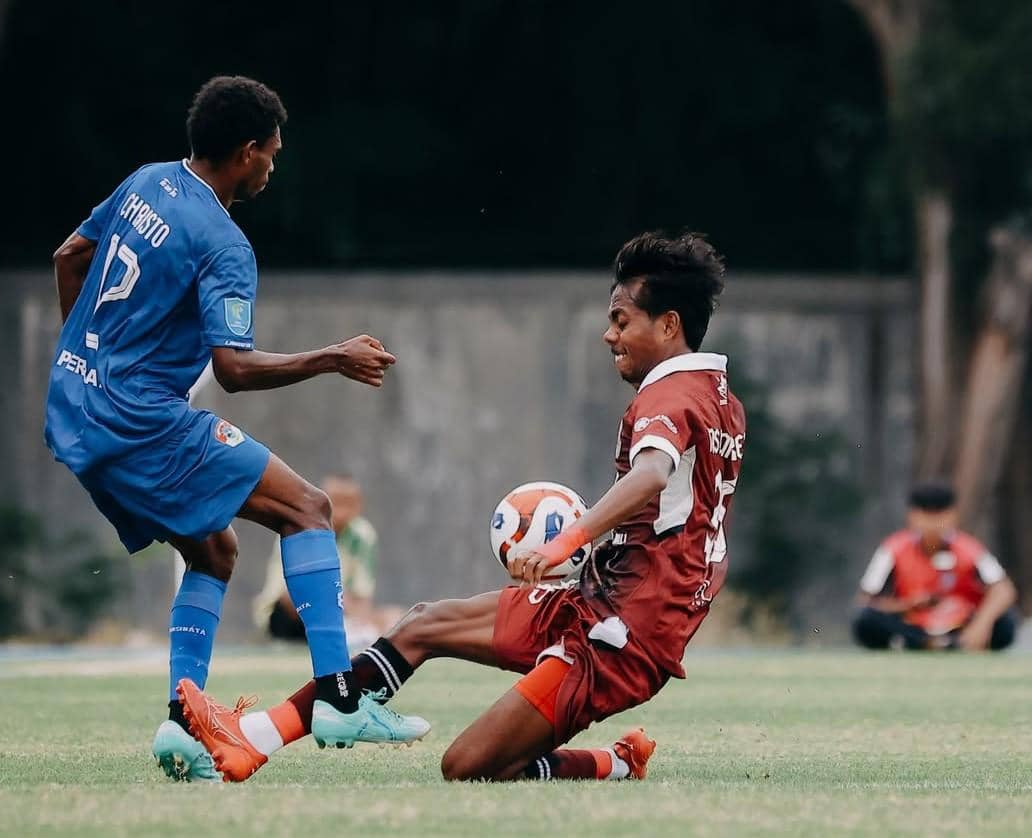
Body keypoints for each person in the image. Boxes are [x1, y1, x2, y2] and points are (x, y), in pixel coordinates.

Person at [177, 230, 746, 783]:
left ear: (669, 324)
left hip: (622, 638)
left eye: (621, 320)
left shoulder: (668, 395)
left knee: (468, 764)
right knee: (423, 624)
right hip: (598, 601)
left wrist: (568, 539)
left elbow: (651, 474)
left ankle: (615, 762)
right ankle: (253, 737)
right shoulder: (720, 399)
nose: (608, 334)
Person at [44, 75, 427, 783]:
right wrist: (331, 357)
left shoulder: (145, 182)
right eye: (272, 154)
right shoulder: (223, 241)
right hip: (140, 419)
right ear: (246, 152)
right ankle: (342, 698)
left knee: (216, 552)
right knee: (309, 510)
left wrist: (91, 354)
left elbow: (69, 257)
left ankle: (182, 723)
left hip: (72, 406)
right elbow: (234, 369)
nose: (275, 168)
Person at [853, 482, 1019, 651]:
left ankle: (951, 642)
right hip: (914, 623)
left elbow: (1004, 589)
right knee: (866, 620)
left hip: (959, 623)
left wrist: (981, 624)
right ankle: (929, 643)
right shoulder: (892, 549)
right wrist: (908, 605)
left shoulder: (970, 549)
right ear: (912, 516)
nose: (932, 523)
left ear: (953, 515)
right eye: (926, 515)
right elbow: (866, 600)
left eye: (939, 515)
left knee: (1006, 622)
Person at [254, 474, 403, 645]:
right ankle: (345, 634)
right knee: (298, 598)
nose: (340, 512)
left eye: (348, 504)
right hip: (292, 612)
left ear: (358, 506)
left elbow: (363, 596)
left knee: (395, 616)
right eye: (335, 502)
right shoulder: (298, 529)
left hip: (341, 608)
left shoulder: (363, 536)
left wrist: (363, 616)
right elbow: (293, 592)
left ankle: (352, 633)